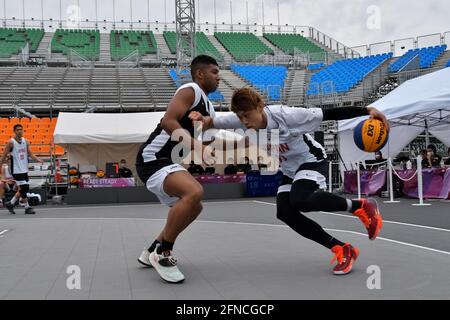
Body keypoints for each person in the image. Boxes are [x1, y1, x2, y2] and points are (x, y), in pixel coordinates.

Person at [190, 87, 388, 275]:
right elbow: (211, 122)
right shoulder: (241, 119)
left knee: (300, 200)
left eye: (247, 116)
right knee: (285, 212)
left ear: (260, 107)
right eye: (240, 117)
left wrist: (367, 110)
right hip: (290, 169)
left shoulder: (286, 115)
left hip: (311, 159)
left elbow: (329, 114)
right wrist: (200, 120)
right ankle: (342, 249)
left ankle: (359, 206)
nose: (244, 122)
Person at [135, 55, 220, 283]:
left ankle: (152, 249)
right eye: (214, 72)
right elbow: (168, 121)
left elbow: (210, 142)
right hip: (152, 158)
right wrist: (198, 146)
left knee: (195, 207)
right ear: (200, 74)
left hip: (168, 162)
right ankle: (164, 255)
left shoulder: (209, 109)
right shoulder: (190, 90)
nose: (218, 77)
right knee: (193, 192)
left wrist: (243, 144)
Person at [0, 124, 44, 215]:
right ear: (14, 131)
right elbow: (4, 156)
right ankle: (27, 207)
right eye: (17, 130)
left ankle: (10, 203)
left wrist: (38, 159)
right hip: (16, 169)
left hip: (24, 169)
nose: (20, 131)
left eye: (21, 129)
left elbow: (30, 154)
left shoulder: (26, 141)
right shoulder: (11, 142)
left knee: (23, 189)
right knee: (25, 188)